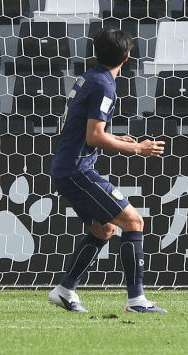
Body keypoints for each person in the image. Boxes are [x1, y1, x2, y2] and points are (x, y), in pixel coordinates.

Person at [48, 27, 166, 314]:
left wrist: (116, 138)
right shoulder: (105, 85)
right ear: (127, 56)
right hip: (77, 170)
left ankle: (65, 290)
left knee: (105, 229)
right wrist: (138, 149)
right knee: (134, 222)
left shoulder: (90, 77)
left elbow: (86, 128)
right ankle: (137, 300)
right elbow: (94, 137)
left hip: (67, 166)